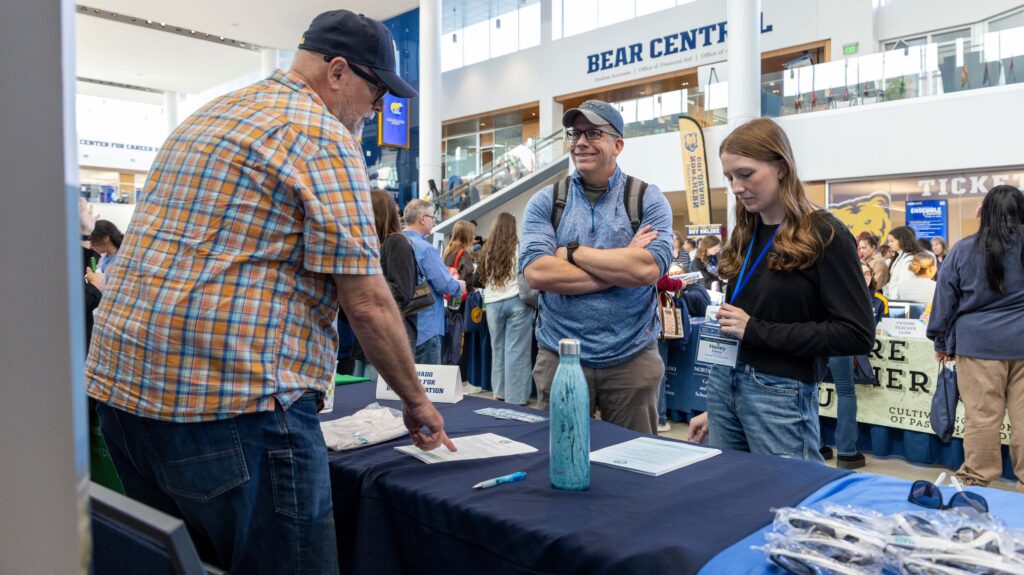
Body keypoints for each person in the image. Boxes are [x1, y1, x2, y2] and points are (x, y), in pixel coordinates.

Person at [85, 11, 455, 573]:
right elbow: (367, 301)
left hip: (124, 397)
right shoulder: (320, 135)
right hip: (231, 409)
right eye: (375, 90)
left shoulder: (209, 116)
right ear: (337, 72)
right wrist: (417, 401)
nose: (375, 108)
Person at [686, 118, 874, 461]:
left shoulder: (824, 234)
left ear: (781, 167)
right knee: (733, 496)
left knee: (787, 502)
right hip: (725, 383)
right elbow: (736, 322)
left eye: (746, 174)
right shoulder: (746, 231)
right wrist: (721, 406)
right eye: (730, 178)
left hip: (780, 391)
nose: (737, 187)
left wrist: (756, 330)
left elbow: (856, 333)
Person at [521, 99, 673, 435]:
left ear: (618, 145)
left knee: (635, 464)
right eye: (575, 134)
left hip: (631, 356)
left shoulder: (646, 198)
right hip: (560, 356)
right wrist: (620, 268)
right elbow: (536, 273)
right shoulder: (547, 201)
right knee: (561, 460)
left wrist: (571, 252)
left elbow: (648, 270)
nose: (581, 142)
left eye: (593, 133)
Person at [928, 185, 1024, 492]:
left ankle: (976, 481)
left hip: (979, 346)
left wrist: (941, 341)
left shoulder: (963, 248)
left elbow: (945, 297)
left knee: (982, 417)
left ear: (984, 212)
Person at [345, 191, 419, 382]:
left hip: (387, 338)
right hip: (366, 340)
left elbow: (402, 291)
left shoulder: (397, 243)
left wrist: (363, 291)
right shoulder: (373, 246)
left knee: (378, 402)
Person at [479, 213, 534, 405]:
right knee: (516, 351)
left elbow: (483, 277)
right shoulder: (519, 247)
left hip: (492, 304)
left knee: (498, 349)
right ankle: (516, 398)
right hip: (516, 300)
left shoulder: (487, 249)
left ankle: (499, 392)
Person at [404, 199, 466, 364]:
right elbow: (445, 284)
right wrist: (458, 285)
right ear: (422, 218)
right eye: (432, 217)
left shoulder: (396, 242)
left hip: (402, 327)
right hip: (426, 326)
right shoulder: (425, 249)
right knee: (427, 385)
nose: (434, 222)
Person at [443, 220, 480, 370]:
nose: (474, 236)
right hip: (463, 301)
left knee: (452, 336)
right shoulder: (463, 253)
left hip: (451, 299)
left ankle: (451, 366)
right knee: (462, 338)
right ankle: (462, 374)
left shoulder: (448, 251)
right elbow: (469, 278)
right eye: (472, 233)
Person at [83, 219, 123, 292]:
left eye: (93, 240)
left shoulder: (121, 257)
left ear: (106, 238)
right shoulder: (102, 259)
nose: (92, 245)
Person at [883, 225, 922, 299]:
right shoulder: (899, 256)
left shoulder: (909, 259)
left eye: (892, 241)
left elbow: (904, 284)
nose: (889, 244)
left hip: (900, 301)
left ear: (902, 241)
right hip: (894, 300)